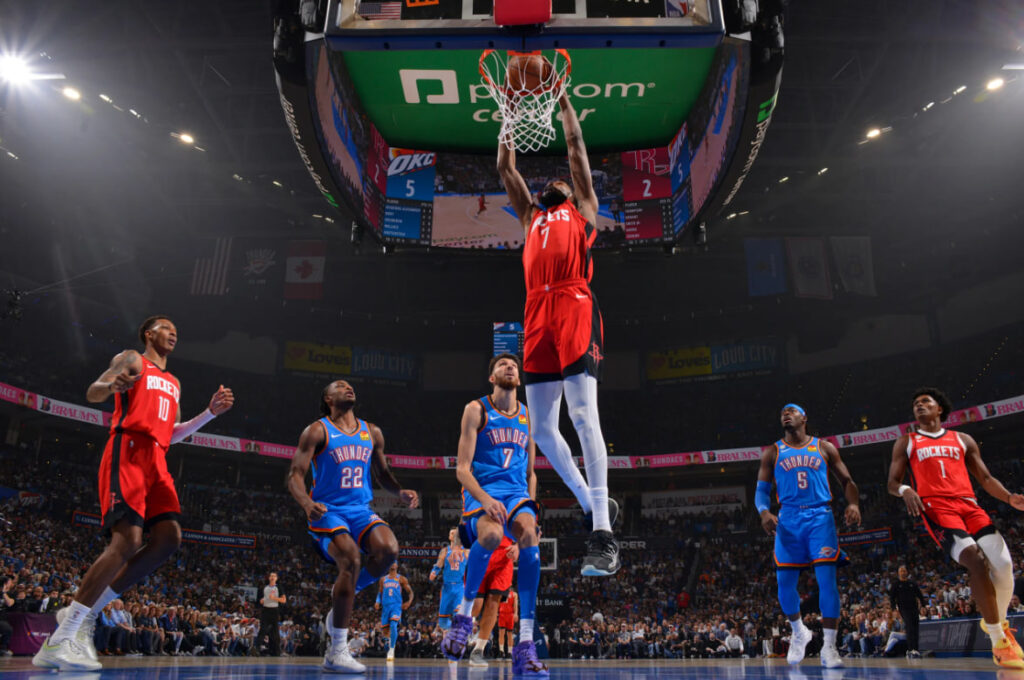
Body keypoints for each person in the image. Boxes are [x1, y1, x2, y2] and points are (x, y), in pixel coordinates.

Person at [33, 315, 234, 672]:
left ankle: (85, 612)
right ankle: (60, 638)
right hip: (128, 449)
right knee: (126, 541)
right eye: (165, 327)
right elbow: (92, 392)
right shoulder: (131, 359)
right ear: (148, 333)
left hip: (158, 457)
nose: (173, 332)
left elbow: (171, 433)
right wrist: (114, 387)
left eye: (176, 328)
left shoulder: (173, 382)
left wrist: (209, 414)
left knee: (169, 539)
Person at [497, 83, 619, 577]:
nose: (557, 183)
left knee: (584, 416)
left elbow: (574, 149)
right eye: (556, 184)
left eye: (563, 183)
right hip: (535, 310)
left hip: (573, 302)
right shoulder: (530, 216)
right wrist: (508, 113)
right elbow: (506, 169)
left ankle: (604, 536)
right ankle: (592, 506)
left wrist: (563, 101)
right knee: (542, 429)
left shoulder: (583, 207)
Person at [287, 379, 419, 673]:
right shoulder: (317, 430)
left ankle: (344, 595)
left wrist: (399, 491)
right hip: (328, 510)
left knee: (389, 550)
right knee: (351, 559)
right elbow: (295, 474)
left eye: (350, 385)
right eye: (340, 386)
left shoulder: (371, 431)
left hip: (360, 510)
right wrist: (307, 505)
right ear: (328, 397)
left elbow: (382, 473)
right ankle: (336, 651)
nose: (348, 388)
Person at [888, 387, 1024, 670]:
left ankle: (995, 623)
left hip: (969, 505)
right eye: (915, 403)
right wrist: (905, 489)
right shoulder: (907, 441)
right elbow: (891, 482)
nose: (919, 405)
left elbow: (985, 478)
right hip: (937, 508)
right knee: (974, 558)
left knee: (1003, 564)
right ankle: (999, 641)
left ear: (940, 409)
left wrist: (1009, 497)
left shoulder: (963, 439)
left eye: (925, 401)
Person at [440, 353, 548, 676]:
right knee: (490, 535)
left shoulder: (528, 416)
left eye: (513, 365)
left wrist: (529, 513)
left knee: (529, 536)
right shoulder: (475, 410)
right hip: (482, 490)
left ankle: (525, 645)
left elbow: (531, 473)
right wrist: (485, 500)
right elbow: (461, 469)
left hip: (516, 494)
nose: (510, 367)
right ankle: (462, 619)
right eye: (502, 365)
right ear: (492, 377)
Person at [755, 403, 860, 669]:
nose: (785, 414)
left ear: (804, 417)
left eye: (791, 411)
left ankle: (829, 647)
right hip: (788, 520)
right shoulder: (773, 452)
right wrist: (764, 512)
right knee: (784, 583)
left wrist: (853, 504)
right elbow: (761, 490)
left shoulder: (824, 448)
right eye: (782, 412)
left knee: (827, 582)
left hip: (820, 518)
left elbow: (847, 481)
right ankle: (799, 630)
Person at [469, 535, 519, 667]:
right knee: (475, 606)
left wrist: (518, 546)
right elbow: (464, 524)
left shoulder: (514, 514)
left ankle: (478, 650)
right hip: (480, 552)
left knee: (493, 603)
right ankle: (459, 627)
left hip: (504, 556)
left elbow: (529, 529)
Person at [429, 528, 467, 632]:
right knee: (442, 623)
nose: (454, 535)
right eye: (451, 533)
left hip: (459, 587)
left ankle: (460, 635)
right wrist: (434, 572)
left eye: (456, 533)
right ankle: (453, 631)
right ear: (449, 537)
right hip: (446, 588)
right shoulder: (445, 550)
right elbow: (439, 564)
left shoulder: (465, 550)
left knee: (458, 614)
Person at [375, 562, 413, 661]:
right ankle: (389, 643)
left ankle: (392, 649)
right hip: (385, 607)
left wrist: (409, 602)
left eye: (394, 563)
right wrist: (377, 601)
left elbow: (410, 592)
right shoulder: (383, 579)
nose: (392, 565)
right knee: (385, 632)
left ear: (397, 566)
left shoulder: (401, 579)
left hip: (396, 606)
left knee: (393, 624)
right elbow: (380, 593)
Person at [889, 565, 926, 658]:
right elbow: (892, 598)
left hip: (914, 608)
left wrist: (923, 605)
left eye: (904, 571)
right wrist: (893, 609)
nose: (903, 572)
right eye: (901, 571)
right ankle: (911, 649)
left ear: (907, 572)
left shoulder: (912, 583)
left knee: (915, 627)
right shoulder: (896, 584)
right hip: (903, 609)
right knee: (909, 627)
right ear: (898, 573)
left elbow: (919, 594)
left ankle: (916, 649)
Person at [259, 572, 286, 656]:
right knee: (263, 630)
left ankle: (277, 651)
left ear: (276, 578)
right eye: (271, 576)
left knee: (275, 633)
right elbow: (263, 598)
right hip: (265, 610)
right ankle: (256, 649)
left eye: (274, 576)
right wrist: (262, 600)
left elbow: (284, 600)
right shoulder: (265, 588)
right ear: (268, 578)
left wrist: (274, 598)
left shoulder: (279, 587)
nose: (272, 577)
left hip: (274, 610)